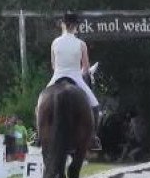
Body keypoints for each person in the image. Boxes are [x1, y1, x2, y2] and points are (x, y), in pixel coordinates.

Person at [35, 11, 101, 150]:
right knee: (95, 105)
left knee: (40, 103)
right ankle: (93, 137)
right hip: (76, 76)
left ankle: (39, 135)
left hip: (57, 76)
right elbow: (86, 67)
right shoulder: (81, 44)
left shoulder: (55, 43)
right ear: (76, 26)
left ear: (63, 25)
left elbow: (54, 66)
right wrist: (80, 73)